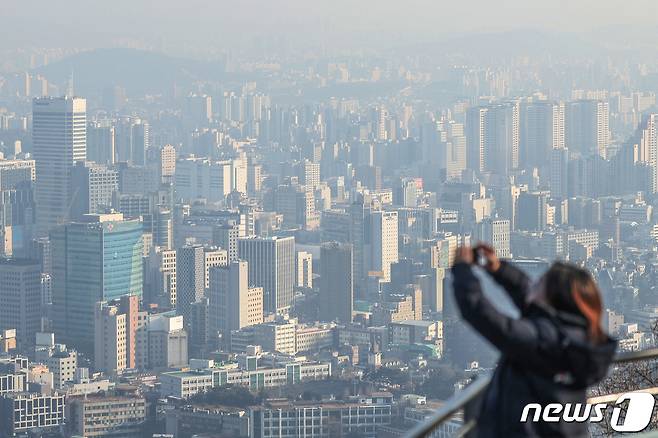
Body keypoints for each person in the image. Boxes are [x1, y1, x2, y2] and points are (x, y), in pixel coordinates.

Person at [452, 243, 617, 437]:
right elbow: (529, 296)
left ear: (551, 298)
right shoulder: (575, 335)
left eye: (540, 283)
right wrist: (499, 269)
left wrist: (462, 269)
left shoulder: (540, 342)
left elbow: (478, 312)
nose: (534, 284)